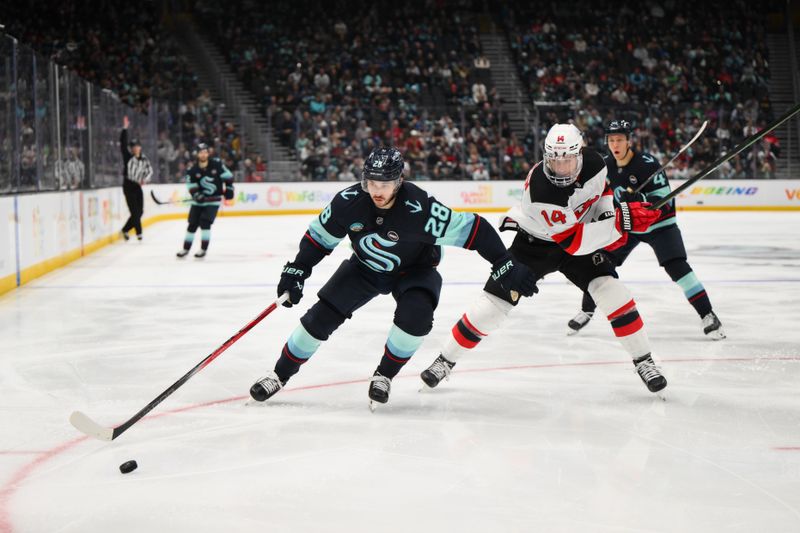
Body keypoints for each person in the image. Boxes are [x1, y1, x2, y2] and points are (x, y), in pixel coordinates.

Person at [249, 147, 536, 408]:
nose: (377, 191)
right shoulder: (348, 202)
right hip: (364, 267)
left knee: (417, 317)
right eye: (371, 183)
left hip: (415, 271)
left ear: (398, 182)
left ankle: (384, 375)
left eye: (384, 185)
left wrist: (504, 262)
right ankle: (278, 374)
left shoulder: (420, 209)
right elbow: (318, 238)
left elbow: (476, 230)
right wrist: (297, 269)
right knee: (320, 317)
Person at [419, 123, 669, 395]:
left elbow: (602, 194)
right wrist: (622, 222)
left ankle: (644, 360)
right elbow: (574, 243)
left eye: (568, 160)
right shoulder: (542, 189)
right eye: (554, 160)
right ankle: (445, 360)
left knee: (612, 292)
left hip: (578, 236)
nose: (560, 168)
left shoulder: (596, 163)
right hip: (535, 245)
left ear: (580, 154)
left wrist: (611, 216)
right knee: (492, 306)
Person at [566, 120, 725, 340]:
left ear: (629, 141)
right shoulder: (605, 166)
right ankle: (587, 310)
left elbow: (665, 202)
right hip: (630, 225)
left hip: (660, 225)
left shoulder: (648, 164)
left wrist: (641, 198)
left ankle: (708, 315)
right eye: (611, 140)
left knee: (676, 266)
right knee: (599, 262)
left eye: (620, 139)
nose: (615, 144)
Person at [176, 143, 234, 259]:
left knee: (205, 223)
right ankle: (185, 249)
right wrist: (196, 194)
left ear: (208, 153)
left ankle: (203, 249)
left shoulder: (217, 165)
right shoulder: (193, 169)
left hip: (213, 201)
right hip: (198, 202)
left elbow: (228, 176)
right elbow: (190, 184)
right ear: (197, 154)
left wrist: (229, 189)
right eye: (201, 152)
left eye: (205, 152)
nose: (203, 154)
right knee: (192, 224)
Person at [120, 116, 153, 241]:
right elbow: (122, 145)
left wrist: (145, 179)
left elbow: (149, 171)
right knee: (134, 211)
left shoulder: (144, 159)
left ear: (140, 147)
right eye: (132, 146)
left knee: (140, 211)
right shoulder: (128, 157)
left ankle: (125, 229)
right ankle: (139, 233)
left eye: (136, 146)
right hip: (128, 186)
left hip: (138, 186)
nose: (135, 148)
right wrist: (125, 129)